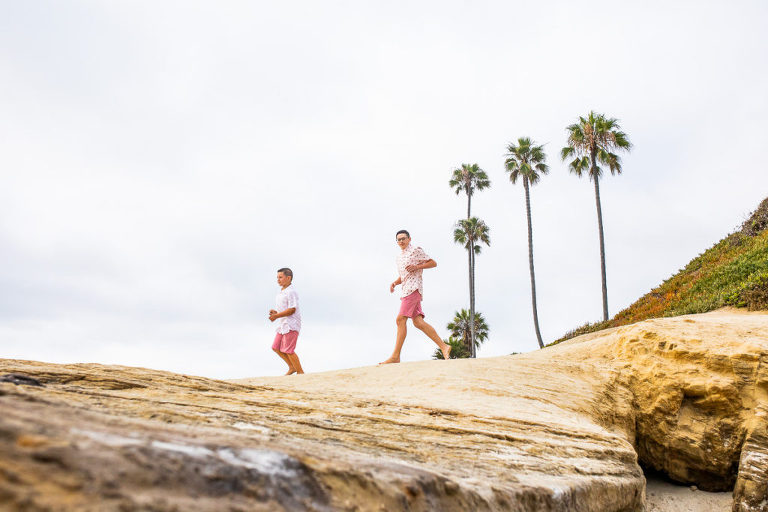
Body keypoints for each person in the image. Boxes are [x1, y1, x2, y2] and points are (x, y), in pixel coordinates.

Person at [380, 230, 451, 364]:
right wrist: (395, 282)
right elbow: (405, 274)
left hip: (414, 289)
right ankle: (444, 347)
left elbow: (433, 263)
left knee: (400, 320)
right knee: (418, 322)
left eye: (403, 238)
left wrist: (418, 266)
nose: (401, 241)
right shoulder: (399, 257)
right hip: (405, 289)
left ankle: (395, 356)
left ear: (409, 239)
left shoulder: (416, 250)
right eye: (398, 239)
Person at [269, 267, 304, 375]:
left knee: (288, 350)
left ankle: (300, 372)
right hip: (282, 324)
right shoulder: (281, 292)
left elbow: (292, 310)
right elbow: (284, 309)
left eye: (281, 277)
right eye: (277, 277)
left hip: (291, 324)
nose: (278, 280)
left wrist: (276, 316)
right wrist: (276, 313)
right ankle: (291, 367)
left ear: (288, 278)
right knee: (276, 347)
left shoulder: (291, 292)